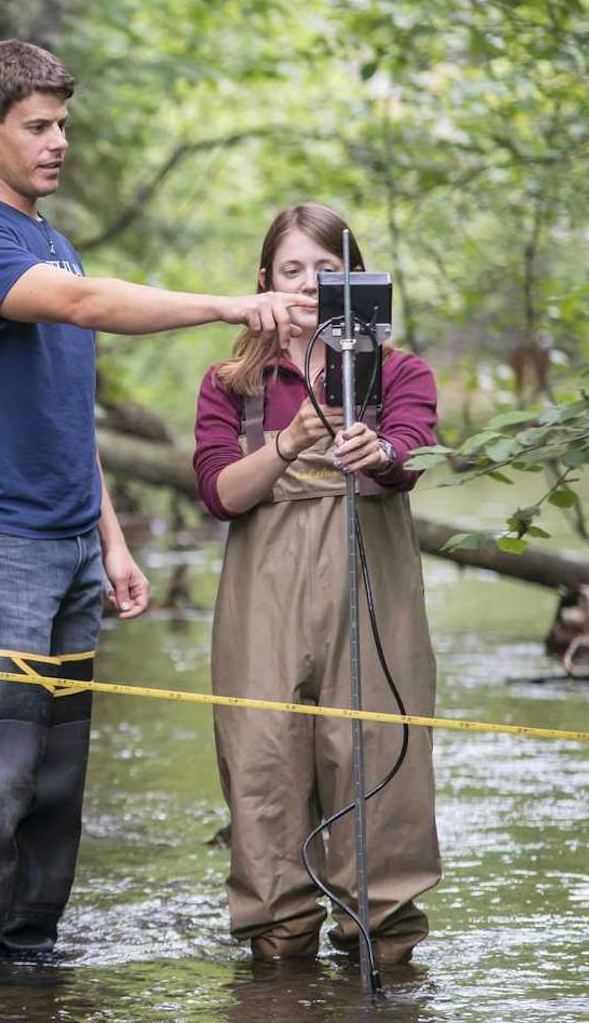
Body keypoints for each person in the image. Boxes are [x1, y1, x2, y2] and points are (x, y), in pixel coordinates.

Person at [0, 39, 311, 962]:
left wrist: (115, 542)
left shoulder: (56, 239)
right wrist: (226, 305)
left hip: (71, 545)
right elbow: (85, 305)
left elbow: (65, 416)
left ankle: (30, 953)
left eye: (63, 127)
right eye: (36, 127)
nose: (57, 144)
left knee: (54, 779)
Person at [190, 202, 442, 966]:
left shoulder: (399, 372)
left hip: (372, 593)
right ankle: (278, 944)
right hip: (261, 601)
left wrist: (381, 449)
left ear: (355, 282)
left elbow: (418, 450)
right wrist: (285, 443)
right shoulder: (234, 381)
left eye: (326, 274)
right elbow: (217, 492)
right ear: (264, 282)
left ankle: (384, 940)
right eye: (292, 271)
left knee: (372, 752)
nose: (307, 288)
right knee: (264, 758)